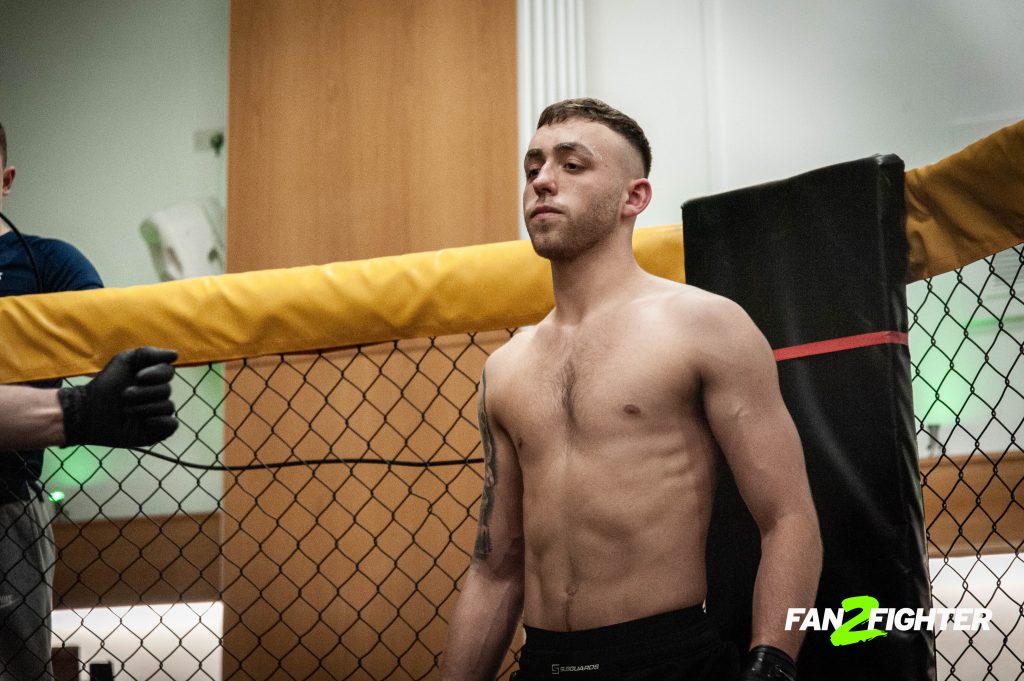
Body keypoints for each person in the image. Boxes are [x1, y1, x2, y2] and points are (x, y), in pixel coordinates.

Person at [441, 99, 823, 681]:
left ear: (633, 198)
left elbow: (788, 518)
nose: (543, 180)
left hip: (666, 658)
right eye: (534, 166)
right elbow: (497, 567)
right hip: (542, 663)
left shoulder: (703, 325)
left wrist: (771, 663)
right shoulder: (507, 365)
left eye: (572, 165)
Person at [0, 121, 177, 681]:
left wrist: (115, 392)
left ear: (5, 181)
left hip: (6, 501)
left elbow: (113, 337)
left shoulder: (46, 263)